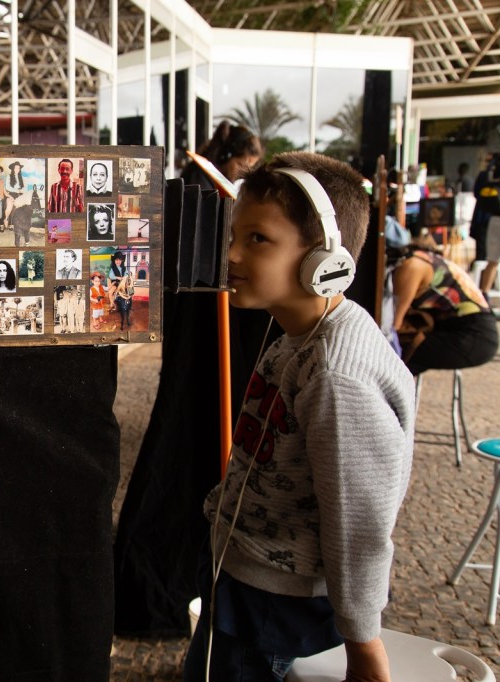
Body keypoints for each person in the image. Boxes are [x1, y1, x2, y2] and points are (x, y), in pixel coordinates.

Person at [183, 152, 415, 681]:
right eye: (235, 235)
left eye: (258, 239)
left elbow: (359, 522)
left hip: (272, 602)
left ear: (323, 260)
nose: (232, 253)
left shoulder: (338, 376)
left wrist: (364, 644)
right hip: (245, 574)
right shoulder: (295, 332)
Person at [114, 122, 266, 640]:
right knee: (186, 440)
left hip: (209, 334)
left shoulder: (209, 198)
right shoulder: (207, 197)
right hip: (206, 331)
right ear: (238, 159)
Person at [391, 233, 498, 375]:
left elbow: (394, 325)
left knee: (396, 358)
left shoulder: (412, 265)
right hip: (478, 332)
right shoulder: (429, 259)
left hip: (473, 334)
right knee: (402, 357)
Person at [470, 153, 500, 292]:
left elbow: (476, 194)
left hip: (492, 218)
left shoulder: (486, 175)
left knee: (492, 260)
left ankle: (484, 294)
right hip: (491, 218)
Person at [3, 160, 26, 229]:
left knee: (21, 208)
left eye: (18, 168)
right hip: (11, 193)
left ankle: (14, 223)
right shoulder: (9, 176)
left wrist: (22, 191)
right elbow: (7, 187)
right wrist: (17, 190)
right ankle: (6, 219)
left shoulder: (21, 178)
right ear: (13, 169)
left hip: (19, 194)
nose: (17, 169)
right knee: (9, 207)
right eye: (16, 168)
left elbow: (24, 187)